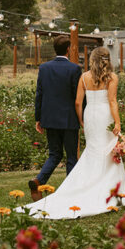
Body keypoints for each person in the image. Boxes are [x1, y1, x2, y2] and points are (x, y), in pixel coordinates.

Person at [18, 46, 125, 219]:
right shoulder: (112, 77)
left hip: (90, 117)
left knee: (93, 150)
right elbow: (112, 101)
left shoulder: (84, 77)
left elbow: (78, 103)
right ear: (107, 60)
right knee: (108, 151)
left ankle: (85, 186)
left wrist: (81, 119)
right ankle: (110, 191)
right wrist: (117, 122)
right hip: (105, 116)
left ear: (92, 59)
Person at [28, 35, 82, 201]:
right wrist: (82, 117)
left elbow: (39, 94)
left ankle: (39, 180)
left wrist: (39, 118)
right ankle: (70, 191)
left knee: (54, 155)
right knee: (72, 156)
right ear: (68, 49)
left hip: (49, 118)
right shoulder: (74, 69)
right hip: (68, 119)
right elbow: (78, 96)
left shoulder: (44, 68)